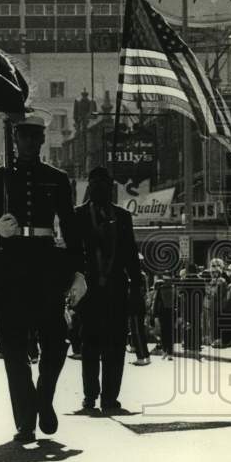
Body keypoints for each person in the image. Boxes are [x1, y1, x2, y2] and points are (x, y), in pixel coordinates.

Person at [0, 113, 86, 443]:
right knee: (12, 348)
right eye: (22, 135)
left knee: (55, 343)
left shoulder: (56, 178)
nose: (28, 141)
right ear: (15, 139)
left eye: (34, 136)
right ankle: (25, 418)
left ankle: (44, 398)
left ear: (42, 139)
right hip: (10, 265)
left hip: (44, 266)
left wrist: (78, 270)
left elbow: (70, 227)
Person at [73, 167, 144, 414]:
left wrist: (136, 288)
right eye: (94, 184)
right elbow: (73, 255)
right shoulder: (79, 216)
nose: (99, 188)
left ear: (110, 188)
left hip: (116, 291)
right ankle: (90, 395)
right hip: (89, 293)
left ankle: (110, 397)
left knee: (115, 347)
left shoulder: (122, 217)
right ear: (89, 187)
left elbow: (132, 257)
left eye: (104, 184)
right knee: (90, 345)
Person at [152, 274, 176, 360]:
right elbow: (178, 301)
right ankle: (169, 352)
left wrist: (154, 313)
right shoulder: (173, 288)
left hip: (164, 312)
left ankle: (166, 351)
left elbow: (156, 302)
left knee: (164, 332)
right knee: (169, 332)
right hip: (170, 312)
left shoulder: (161, 289)